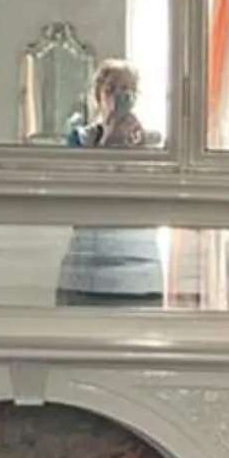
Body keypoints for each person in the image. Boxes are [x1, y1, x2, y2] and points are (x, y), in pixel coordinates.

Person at [55, 60, 165, 304]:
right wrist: (107, 146)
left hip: (139, 265)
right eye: (112, 89)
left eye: (128, 91)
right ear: (98, 94)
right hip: (86, 265)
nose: (120, 97)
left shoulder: (154, 143)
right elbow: (72, 197)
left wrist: (140, 156)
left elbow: (157, 202)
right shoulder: (79, 140)